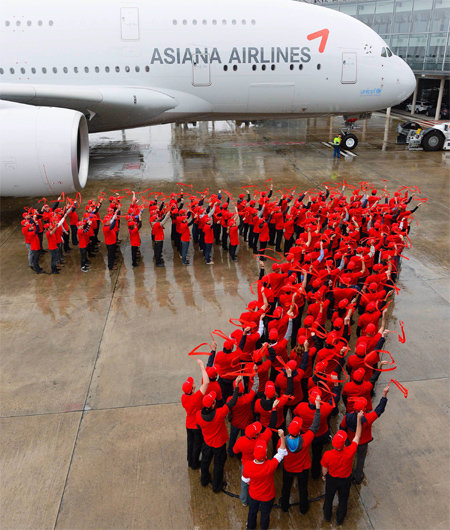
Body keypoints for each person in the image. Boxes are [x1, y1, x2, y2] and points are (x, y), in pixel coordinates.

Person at [196, 376, 243, 493]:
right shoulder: (219, 414)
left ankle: (204, 480)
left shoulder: (198, 415)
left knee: (205, 462)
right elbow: (232, 402)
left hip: (207, 443)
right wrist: (236, 386)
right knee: (218, 465)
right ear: (212, 405)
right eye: (214, 401)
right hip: (219, 444)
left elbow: (198, 426)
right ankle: (217, 487)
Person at [279, 393, 321, 514]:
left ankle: (285, 506)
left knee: (286, 488)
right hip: (302, 469)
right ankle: (303, 508)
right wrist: (317, 409)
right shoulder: (306, 439)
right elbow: (315, 425)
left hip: (288, 469)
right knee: (303, 489)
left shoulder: (282, 442)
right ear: (299, 431)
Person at [339, 385, 390, 484]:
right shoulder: (368, 418)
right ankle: (358, 477)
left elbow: (342, 428)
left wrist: (345, 441)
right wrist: (384, 394)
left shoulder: (347, 417)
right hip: (362, 443)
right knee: (360, 459)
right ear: (364, 409)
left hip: (350, 441)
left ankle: (348, 474)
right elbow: (379, 410)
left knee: (349, 458)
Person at [321, 411, 363, 525]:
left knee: (328, 498)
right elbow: (357, 435)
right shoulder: (350, 451)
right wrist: (359, 419)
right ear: (344, 444)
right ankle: (340, 519)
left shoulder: (327, 455)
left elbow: (324, 468)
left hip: (332, 479)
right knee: (343, 500)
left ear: (334, 444)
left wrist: (325, 476)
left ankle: (327, 516)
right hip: (345, 480)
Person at [242, 429, 288, 530]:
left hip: (253, 495)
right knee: (265, 514)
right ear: (265, 454)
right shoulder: (271, 465)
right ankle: (264, 527)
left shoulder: (248, 466)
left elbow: (245, 480)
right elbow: (281, 452)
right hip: (267, 496)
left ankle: (250, 527)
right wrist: (282, 437)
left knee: (252, 512)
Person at [181, 359, 209, 469]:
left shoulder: (184, 397)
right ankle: (194, 463)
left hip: (188, 424)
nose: (194, 384)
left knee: (190, 443)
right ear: (192, 389)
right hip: (197, 425)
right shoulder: (196, 397)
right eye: (193, 385)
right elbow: (206, 382)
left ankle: (190, 459)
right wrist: (202, 366)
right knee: (197, 445)